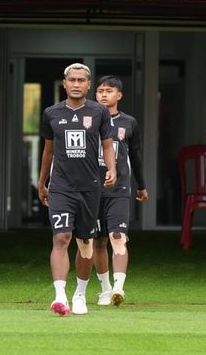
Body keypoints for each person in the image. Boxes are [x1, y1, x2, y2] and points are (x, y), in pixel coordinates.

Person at [37, 63, 117, 316]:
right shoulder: (51, 113)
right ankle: (60, 295)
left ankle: (80, 293)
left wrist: (112, 169)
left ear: (88, 84)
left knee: (85, 241)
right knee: (61, 238)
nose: (76, 84)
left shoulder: (99, 112)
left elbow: (107, 145)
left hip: (90, 187)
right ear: (64, 83)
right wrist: (42, 182)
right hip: (61, 186)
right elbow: (48, 150)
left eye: (81, 80)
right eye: (71, 80)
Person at [74, 76, 148, 307]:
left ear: (119, 95)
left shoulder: (129, 123)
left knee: (118, 237)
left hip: (119, 189)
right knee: (96, 241)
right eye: (100, 91)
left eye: (109, 91)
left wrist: (142, 185)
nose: (104, 95)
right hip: (91, 190)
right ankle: (104, 289)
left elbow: (135, 156)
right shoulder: (87, 119)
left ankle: (118, 288)